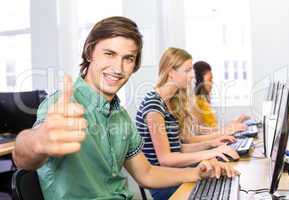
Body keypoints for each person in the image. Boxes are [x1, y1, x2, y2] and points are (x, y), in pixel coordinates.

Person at [12, 17, 238, 200]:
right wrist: (39, 141)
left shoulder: (120, 116)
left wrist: (197, 173)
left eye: (128, 59)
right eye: (109, 54)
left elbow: (146, 173)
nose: (118, 68)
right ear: (90, 53)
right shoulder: (62, 105)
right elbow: (23, 155)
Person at [136, 47, 239, 200]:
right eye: (187, 70)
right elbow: (166, 159)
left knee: (226, 179)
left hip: (177, 173)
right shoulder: (154, 107)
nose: (192, 75)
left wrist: (212, 145)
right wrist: (211, 152)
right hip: (165, 183)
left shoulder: (170, 102)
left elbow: (179, 147)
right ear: (171, 72)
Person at [191, 60, 250, 135]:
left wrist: (235, 123)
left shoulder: (203, 100)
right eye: (210, 80)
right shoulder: (196, 103)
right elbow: (202, 132)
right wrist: (233, 125)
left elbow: (214, 128)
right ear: (199, 81)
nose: (212, 83)